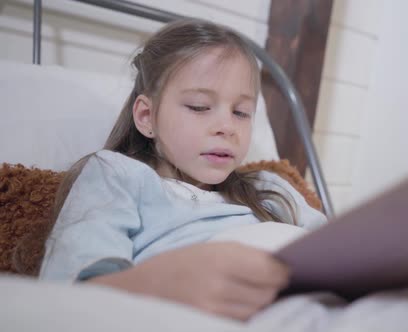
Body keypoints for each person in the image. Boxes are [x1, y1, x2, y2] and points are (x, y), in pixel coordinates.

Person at [39, 19, 326, 322]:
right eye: (200, 106)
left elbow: (337, 252)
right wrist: (165, 281)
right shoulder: (118, 175)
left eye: (241, 112)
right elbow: (74, 294)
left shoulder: (268, 188)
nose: (228, 127)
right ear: (147, 116)